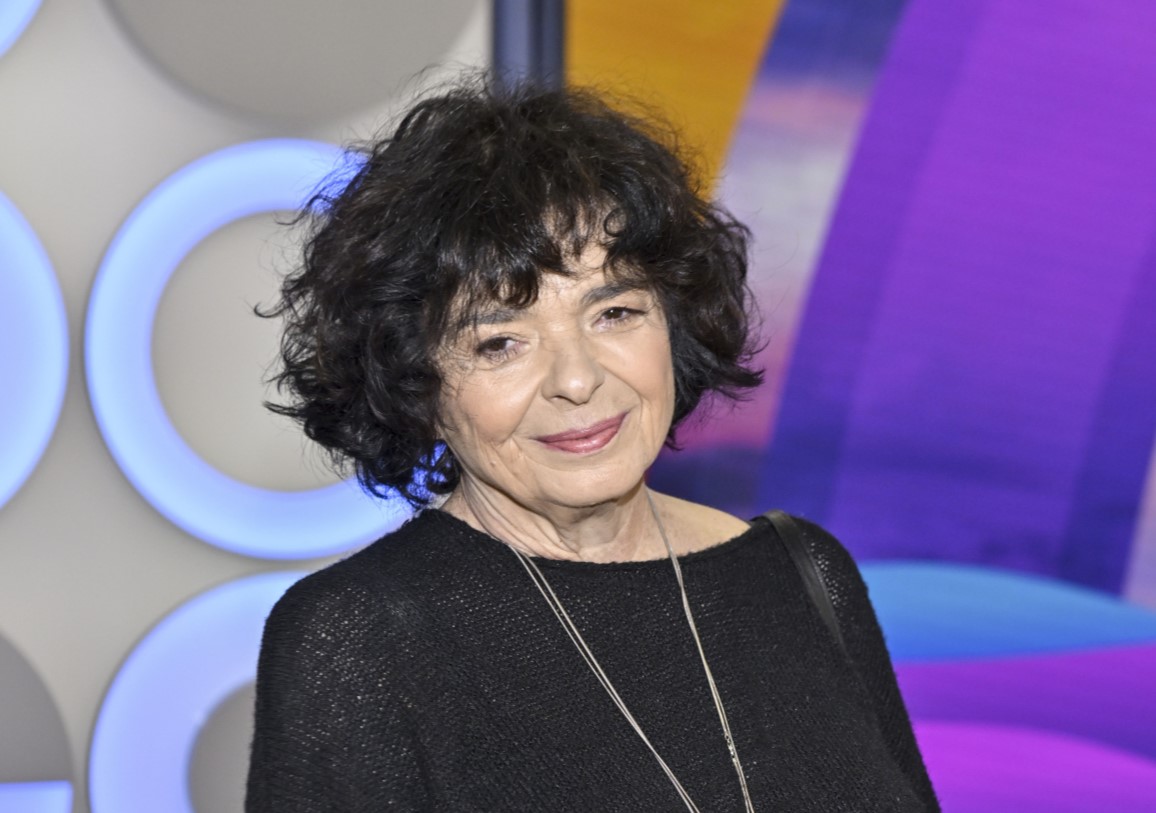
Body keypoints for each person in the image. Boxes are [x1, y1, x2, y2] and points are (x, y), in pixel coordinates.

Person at [245, 78, 939, 812]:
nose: (577, 380)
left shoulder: (800, 574)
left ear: (674, 323)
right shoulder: (358, 637)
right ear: (414, 383)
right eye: (500, 342)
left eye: (614, 313)